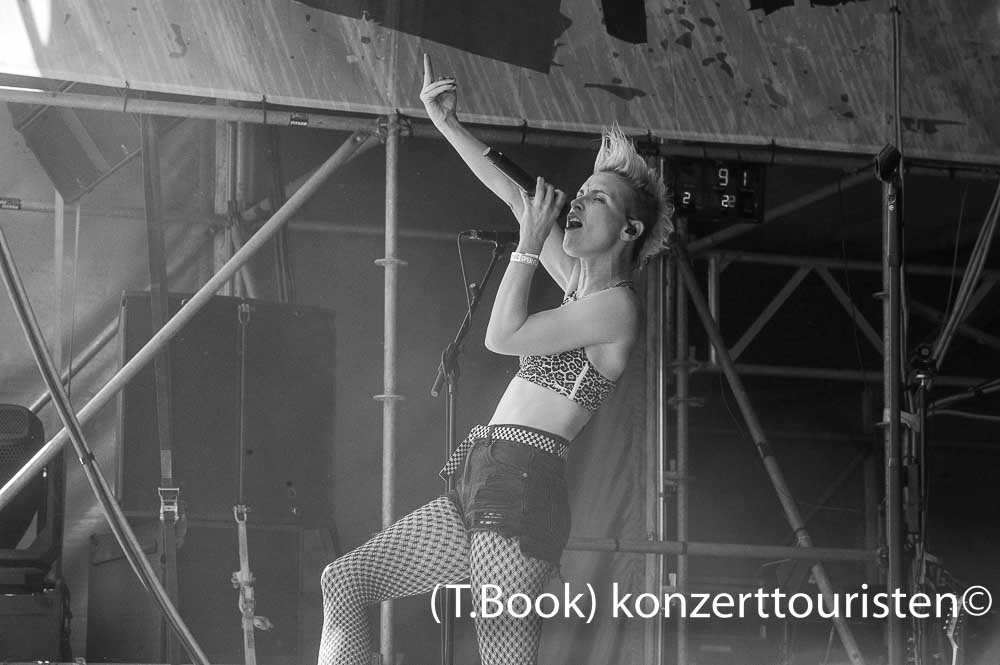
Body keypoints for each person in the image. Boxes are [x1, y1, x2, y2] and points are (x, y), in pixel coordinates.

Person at [318, 54, 674, 665]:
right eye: (580, 193)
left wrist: (529, 247)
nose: (578, 201)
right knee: (346, 581)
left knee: (502, 655)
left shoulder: (617, 308)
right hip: (483, 475)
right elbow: (514, 193)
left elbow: (503, 337)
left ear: (629, 231)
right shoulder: (580, 289)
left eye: (597, 199)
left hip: (523, 484)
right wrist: (446, 123)